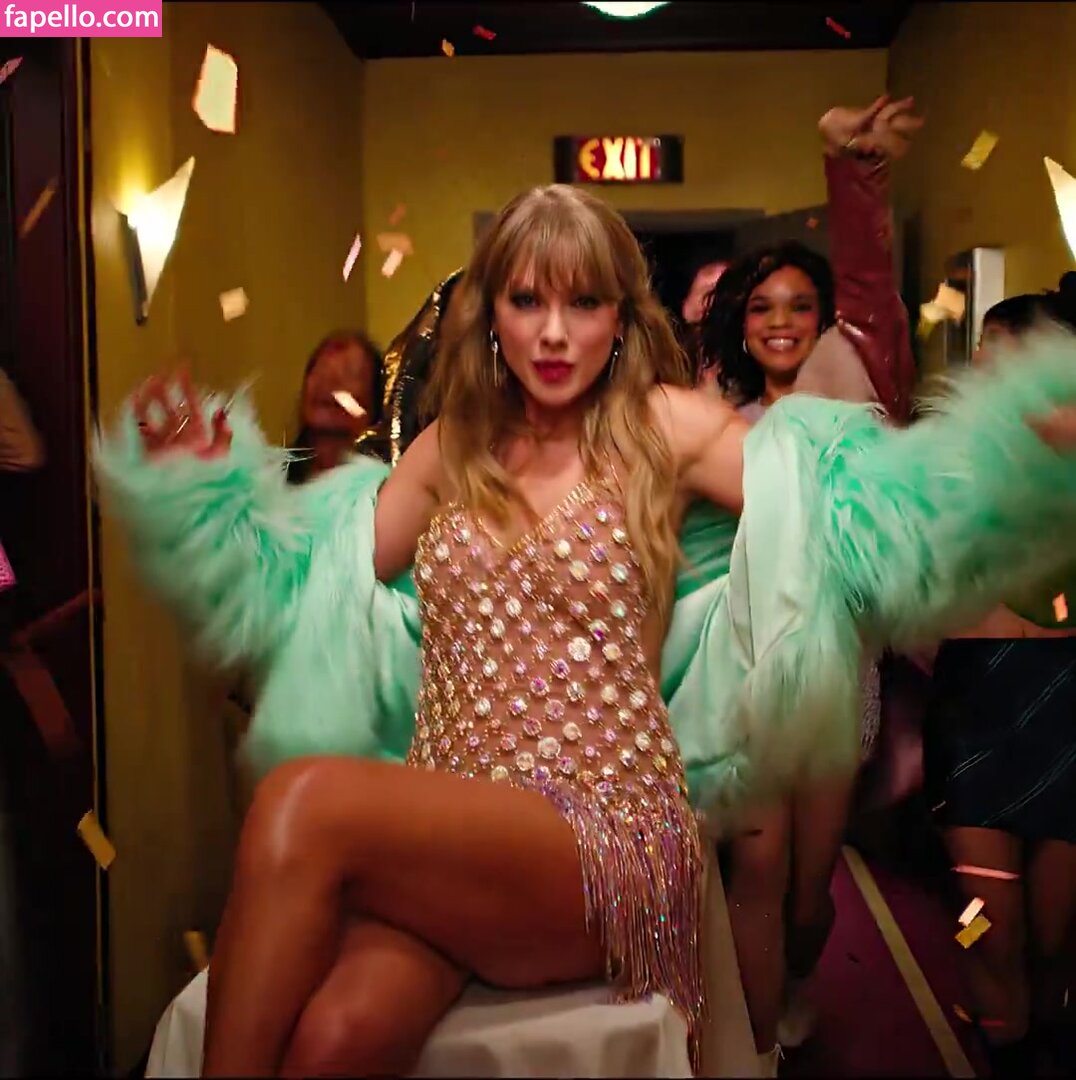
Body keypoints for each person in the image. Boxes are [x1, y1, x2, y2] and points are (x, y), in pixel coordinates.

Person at [96, 182, 1076, 1078]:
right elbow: (319, 584)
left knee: (300, 800)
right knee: (334, 1039)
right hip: (453, 835)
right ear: (490, 313)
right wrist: (206, 498)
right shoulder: (449, 448)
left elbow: (855, 510)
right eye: (527, 300)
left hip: (606, 838)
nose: (555, 333)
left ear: (622, 315)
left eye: (585, 302)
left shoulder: (664, 427)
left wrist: (1003, 463)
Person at [698, 96, 921, 1060]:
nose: (781, 322)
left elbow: (872, 285)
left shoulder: (858, 396)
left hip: (834, 674)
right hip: (742, 672)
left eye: (798, 306)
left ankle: (793, 979)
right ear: (740, 325)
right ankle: (753, 1040)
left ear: (825, 319)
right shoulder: (715, 418)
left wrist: (854, 167)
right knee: (755, 867)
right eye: (762, 307)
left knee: (806, 891)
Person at [922, 274, 1076, 1077]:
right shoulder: (949, 454)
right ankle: (993, 1014)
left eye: (1007, 350)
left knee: (1055, 934)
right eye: (983, 348)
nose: (985, 365)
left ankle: (1039, 1025)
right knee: (982, 909)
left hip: (1064, 702)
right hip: (974, 702)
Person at [284, 330, 384, 483]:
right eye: (320, 368)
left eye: (349, 372)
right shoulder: (270, 478)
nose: (328, 380)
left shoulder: (388, 485)